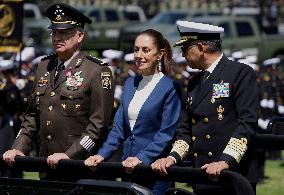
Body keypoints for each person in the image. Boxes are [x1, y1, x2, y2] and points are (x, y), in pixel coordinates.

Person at [2, 3, 114, 179]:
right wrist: (18, 147)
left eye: (64, 33)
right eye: (54, 32)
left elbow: (98, 127)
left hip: (80, 168)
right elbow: (32, 116)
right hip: (46, 166)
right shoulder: (44, 66)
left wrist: (70, 156)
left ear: (80, 36)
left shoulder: (96, 70)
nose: (57, 37)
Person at [151, 21, 260, 195]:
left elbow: (246, 124)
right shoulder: (195, 83)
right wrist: (172, 157)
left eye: (186, 48)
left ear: (201, 48)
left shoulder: (239, 73)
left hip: (232, 175)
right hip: (202, 174)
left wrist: (225, 161)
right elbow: (186, 129)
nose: (183, 54)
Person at [84, 29, 181, 194]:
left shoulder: (170, 87)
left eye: (146, 50)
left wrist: (141, 158)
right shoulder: (130, 83)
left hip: (154, 171)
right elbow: (118, 128)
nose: (139, 55)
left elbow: (166, 133)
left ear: (160, 54)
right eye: (136, 49)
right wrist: (102, 155)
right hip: (127, 168)